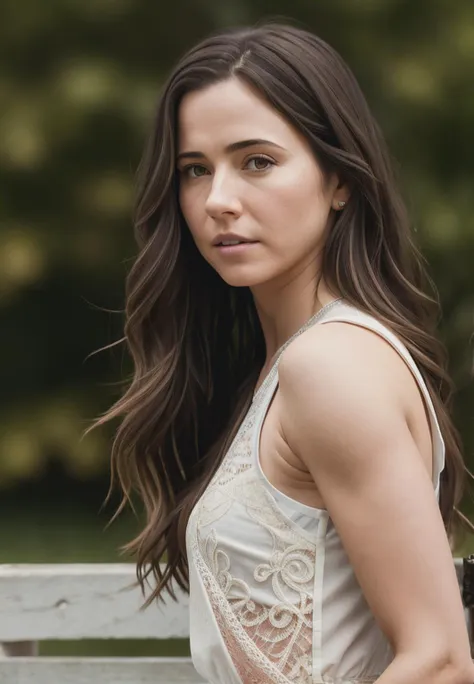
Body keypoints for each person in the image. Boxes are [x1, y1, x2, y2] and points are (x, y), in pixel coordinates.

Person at [89, 21, 474, 684]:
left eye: (257, 162)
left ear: (340, 180)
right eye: (194, 171)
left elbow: (440, 659)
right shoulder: (286, 365)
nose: (218, 200)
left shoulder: (330, 366)